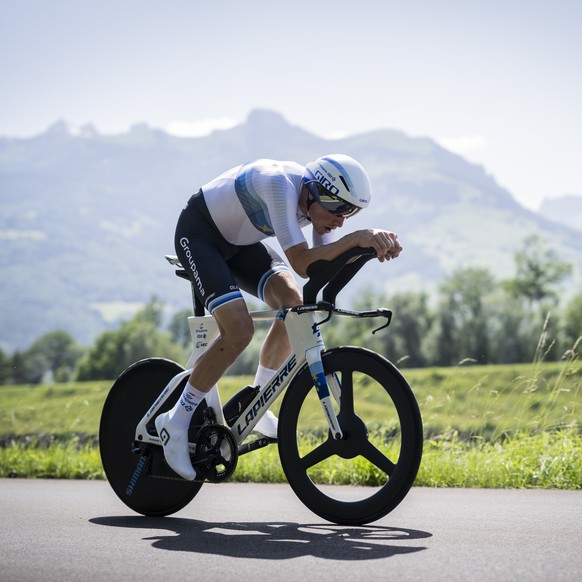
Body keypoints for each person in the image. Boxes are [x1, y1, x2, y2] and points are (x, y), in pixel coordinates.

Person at [155, 154, 403, 480]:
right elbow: (302, 263)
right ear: (314, 192)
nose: (343, 220)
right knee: (239, 330)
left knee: (294, 305)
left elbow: (323, 266)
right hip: (200, 235)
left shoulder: (317, 210)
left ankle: (256, 403)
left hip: (239, 244)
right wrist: (355, 239)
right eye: (339, 209)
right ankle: (176, 420)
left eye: (351, 212)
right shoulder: (278, 184)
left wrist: (369, 247)